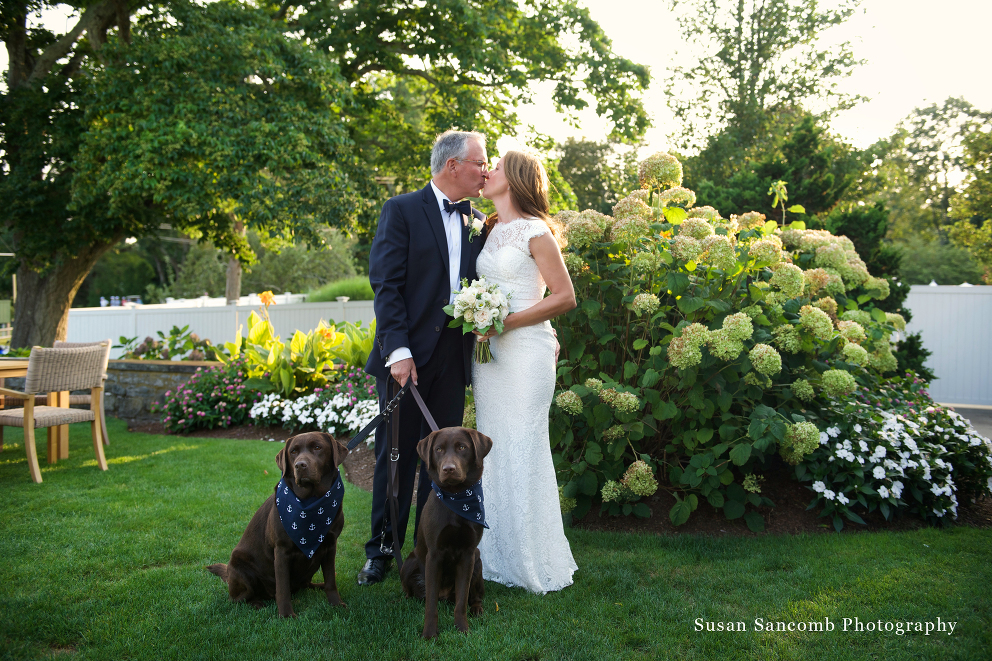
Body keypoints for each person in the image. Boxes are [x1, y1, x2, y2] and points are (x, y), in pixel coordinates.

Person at [358, 130, 490, 586]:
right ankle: (381, 550)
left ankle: (428, 551)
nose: (485, 171)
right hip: (406, 361)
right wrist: (397, 351)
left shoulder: (478, 221)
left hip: (453, 361)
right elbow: (386, 284)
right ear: (453, 165)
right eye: (479, 163)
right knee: (395, 458)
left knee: (443, 463)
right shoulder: (401, 210)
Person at [472, 150, 578, 593]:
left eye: (494, 166)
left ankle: (534, 558)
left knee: (523, 445)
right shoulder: (489, 228)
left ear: (513, 179)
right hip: (490, 358)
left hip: (526, 353)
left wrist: (506, 322)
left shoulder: (536, 231)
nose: (486, 171)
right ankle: (493, 553)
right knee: (493, 449)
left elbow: (565, 296)